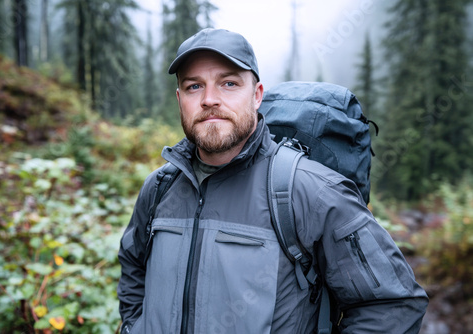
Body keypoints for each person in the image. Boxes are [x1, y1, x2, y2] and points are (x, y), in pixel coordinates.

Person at [117, 28, 428, 333]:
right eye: (194, 86)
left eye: (228, 83)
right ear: (179, 98)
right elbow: (134, 269)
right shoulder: (159, 188)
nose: (209, 99)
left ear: (257, 96)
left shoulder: (310, 192)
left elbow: (394, 305)